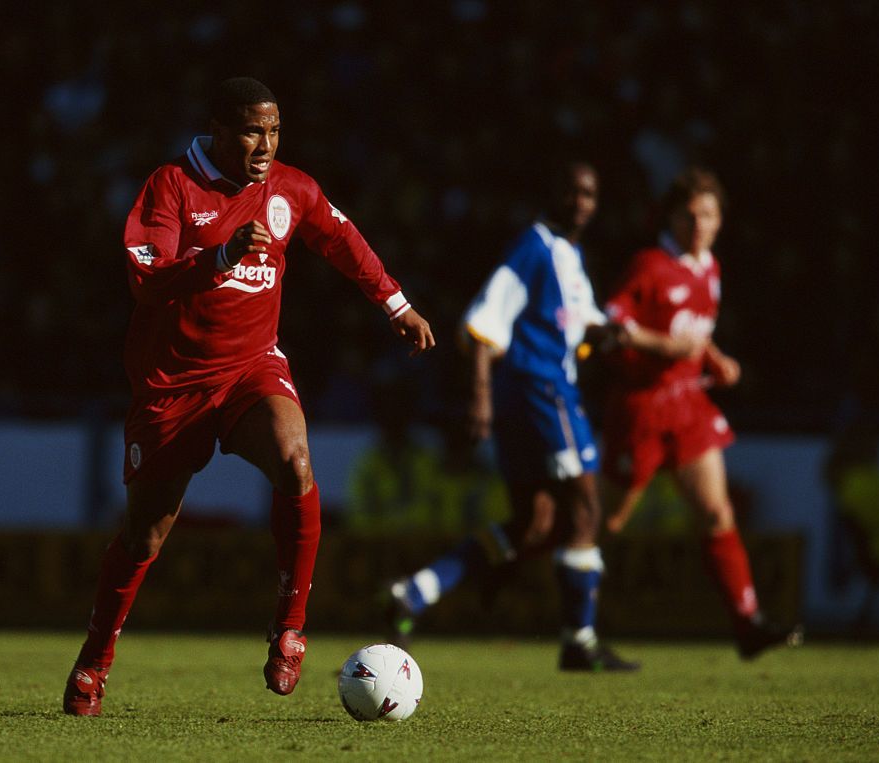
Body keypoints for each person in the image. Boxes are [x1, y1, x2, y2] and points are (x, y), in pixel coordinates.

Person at [62, 77, 435, 716]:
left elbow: (340, 238)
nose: (265, 145)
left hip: (251, 368)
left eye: (274, 130)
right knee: (145, 536)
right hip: (172, 386)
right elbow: (147, 280)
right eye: (251, 131)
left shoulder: (290, 186)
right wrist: (221, 256)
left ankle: (290, 629)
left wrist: (394, 301)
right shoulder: (171, 187)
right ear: (217, 127)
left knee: (295, 460)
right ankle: (96, 656)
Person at [387, 162, 638, 671]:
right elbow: (485, 318)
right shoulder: (534, 248)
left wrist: (606, 335)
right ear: (552, 193)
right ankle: (579, 641)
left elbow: (580, 323)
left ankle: (418, 591)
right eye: (571, 189)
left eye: (589, 193)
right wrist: (479, 395)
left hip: (528, 394)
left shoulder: (567, 255)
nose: (581, 201)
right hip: (541, 391)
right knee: (585, 505)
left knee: (533, 521)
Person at [600, 166, 802, 659]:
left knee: (716, 512)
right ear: (670, 216)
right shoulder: (649, 265)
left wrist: (716, 360)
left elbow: (699, 334)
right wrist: (661, 344)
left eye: (708, 214)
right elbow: (610, 322)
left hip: (688, 405)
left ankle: (748, 623)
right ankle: (573, 622)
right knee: (605, 524)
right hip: (642, 409)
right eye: (689, 214)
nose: (698, 224)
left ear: (719, 220)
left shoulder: (709, 269)